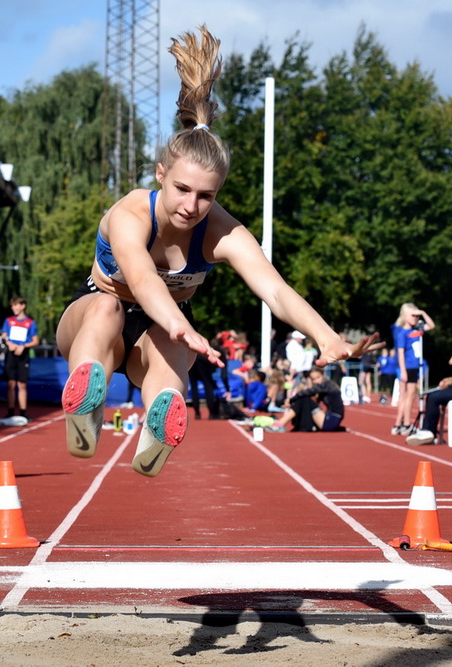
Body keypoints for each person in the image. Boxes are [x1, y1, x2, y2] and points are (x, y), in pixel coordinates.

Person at [54, 25, 380, 475]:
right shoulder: (130, 213)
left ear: (219, 192)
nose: (191, 207)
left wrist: (327, 337)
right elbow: (144, 279)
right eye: (182, 189)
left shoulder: (223, 231)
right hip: (94, 317)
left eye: (205, 196)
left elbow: (277, 292)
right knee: (109, 310)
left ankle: (158, 423)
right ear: (160, 174)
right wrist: (181, 326)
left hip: (162, 329)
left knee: (171, 355)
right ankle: (85, 402)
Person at [390, 303, 434, 436]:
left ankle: (399, 424)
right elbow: (401, 352)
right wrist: (403, 370)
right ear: (405, 316)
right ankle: (406, 424)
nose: (415, 318)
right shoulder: (402, 332)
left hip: (414, 366)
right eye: (413, 315)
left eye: (417, 315)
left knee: (407, 396)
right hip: (407, 366)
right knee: (407, 396)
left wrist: (423, 313)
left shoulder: (416, 330)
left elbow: (431, 326)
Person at [1, 295, 39, 424]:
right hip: (11, 355)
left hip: (24, 355)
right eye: (12, 305)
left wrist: (23, 346)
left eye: (16, 305)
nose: (13, 308)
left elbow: (35, 340)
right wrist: (8, 343)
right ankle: (10, 411)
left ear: (23, 306)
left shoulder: (30, 322)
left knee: (22, 384)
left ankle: (23, 412)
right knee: (11, 384)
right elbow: (4, 335)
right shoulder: (9, 320)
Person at [271, 367, 345, 432]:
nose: (316, 381)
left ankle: (280, 424)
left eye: (318, 377)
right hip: (331, 419)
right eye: (313, 379)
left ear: (323, 375)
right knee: (304, 400)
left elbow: (308, 392)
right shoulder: (326, 385)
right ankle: (281, 423)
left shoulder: (326, 385)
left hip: (331, 421)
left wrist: (291, 400)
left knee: (305, 399)